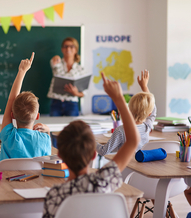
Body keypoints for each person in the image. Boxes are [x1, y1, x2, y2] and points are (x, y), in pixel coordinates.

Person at [42, 72, 140, 218]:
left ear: (60, 156)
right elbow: (132, 141)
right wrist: (119, 99)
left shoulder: (55, 195)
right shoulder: (103, 181)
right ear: (94, 154)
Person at [0, 52, 52, 161]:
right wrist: (48, 131)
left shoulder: (9, 137)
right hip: (36, 178)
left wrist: (21, 72)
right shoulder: (44, 139)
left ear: (12, 115)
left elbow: (11, 100)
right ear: (37, 116)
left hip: (7, 178)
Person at [96, 70, 156, 156]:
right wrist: (144, 86)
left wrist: (91, 141)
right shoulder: (147, 127)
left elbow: (103, 151)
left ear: (129, 109)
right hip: (140, 166)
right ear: (149, 114)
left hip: (125, 167)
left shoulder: (121, 130)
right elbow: (153, 110)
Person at [47, 37, 88, 116]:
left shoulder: (81, 69)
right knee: (54, 127)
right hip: (56, 102)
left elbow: (84, 93)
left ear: (76, 49)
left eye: (71, 46)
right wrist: (55, 58)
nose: (68, 48)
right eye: (65, 46)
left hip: (72, 104)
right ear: (62, 49)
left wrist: (76, 93)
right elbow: (53, 62)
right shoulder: (57, 63)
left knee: (73, 127)